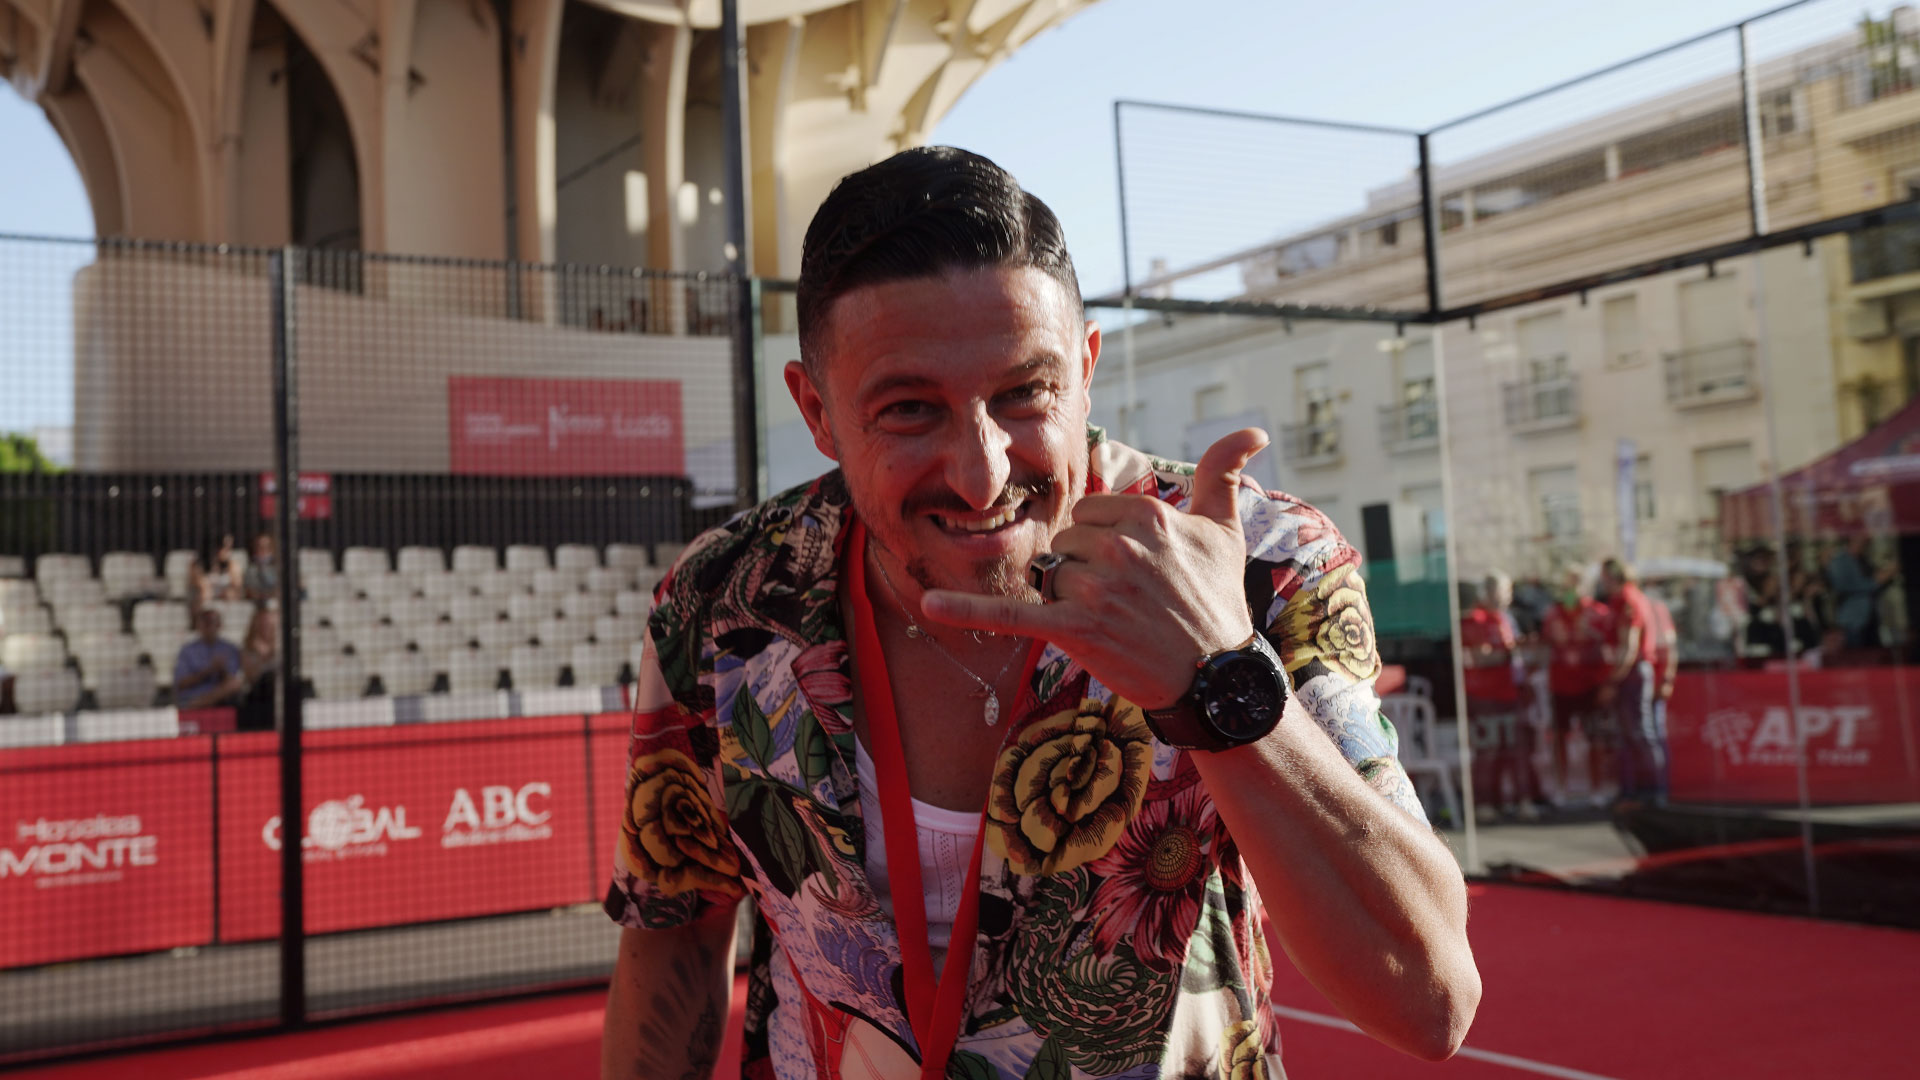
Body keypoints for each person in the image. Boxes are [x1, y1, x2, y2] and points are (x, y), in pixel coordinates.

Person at [600, 148, 1478, 1080]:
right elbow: (674, 937)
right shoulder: (724, 600)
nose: (982, 474)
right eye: (909, 410)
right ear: (817, 411)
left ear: (1086, 369)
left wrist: (1220, 674)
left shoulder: (1258, 561)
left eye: (1025, 393)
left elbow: (1430, 1001)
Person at [1459, 572, 1542, 820]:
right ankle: (1485, 802)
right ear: (1489, 592)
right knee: (1488, 750)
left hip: (1509, 694)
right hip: (1485, 697)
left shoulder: (1505, 619)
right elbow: (1480, 657)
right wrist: (1511, 651)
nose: (1508, 596)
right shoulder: (1475, 620)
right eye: (1504, 591)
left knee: (1516, 749)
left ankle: (1521, 800)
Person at [1541, 566, 1614, 806]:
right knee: (1559, 737)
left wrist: (1606, 682)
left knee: (1595, 738)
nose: (1572, 589)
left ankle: (1597, 788)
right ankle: (1561, 788)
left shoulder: (1599, 613)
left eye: (1576, 583)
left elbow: (1609, 647)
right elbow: (1545, 643)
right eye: (1568, 584)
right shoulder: (1553, 614)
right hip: (1561, 685)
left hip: (1590, 685)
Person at [1597, 558, 1664, 801]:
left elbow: (1629, 647)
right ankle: (1637, 791)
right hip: (1631, 672)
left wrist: (1613, 681)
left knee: (1640, 734)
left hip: (1633, 673)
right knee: (1631, 735)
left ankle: (1651, 792)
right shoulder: (1623, 600)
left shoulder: (1628, 600)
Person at [173, 607, 245, 710]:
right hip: (193, 697)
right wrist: (208, 671)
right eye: (206, 623)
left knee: (235, 684)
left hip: (221, 700)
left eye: (213, 622)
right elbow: (181, 684)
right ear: (198, 626)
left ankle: (201, 702)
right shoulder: (187, 651)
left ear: (220, 625)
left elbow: (233, 681)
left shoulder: (230, 649)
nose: (210, 627)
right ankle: (199, 703)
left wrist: (222, 670)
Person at [238, 606, 281, 730]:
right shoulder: (248, 648)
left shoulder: (281, 646)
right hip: (258, 693)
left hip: (279, 691)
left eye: (268, 623)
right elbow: (251, 677)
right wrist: (262, 658)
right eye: (262, 623)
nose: (265, 627)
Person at [187, 534, 242, 614]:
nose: (228, 552)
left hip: (223, 596)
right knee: (205, 592)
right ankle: (204, 617)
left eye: (230, 548)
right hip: (202, 597)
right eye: (225, 548)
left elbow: (237, 585)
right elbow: (200, 584)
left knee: (230, 593)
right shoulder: (197, 564)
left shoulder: (232, 564)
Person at [243, 532, 279, 606]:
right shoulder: (250, 569)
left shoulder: (279, 568)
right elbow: (248, 590)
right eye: (260, 547)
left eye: (267, 547)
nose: (263, 550)